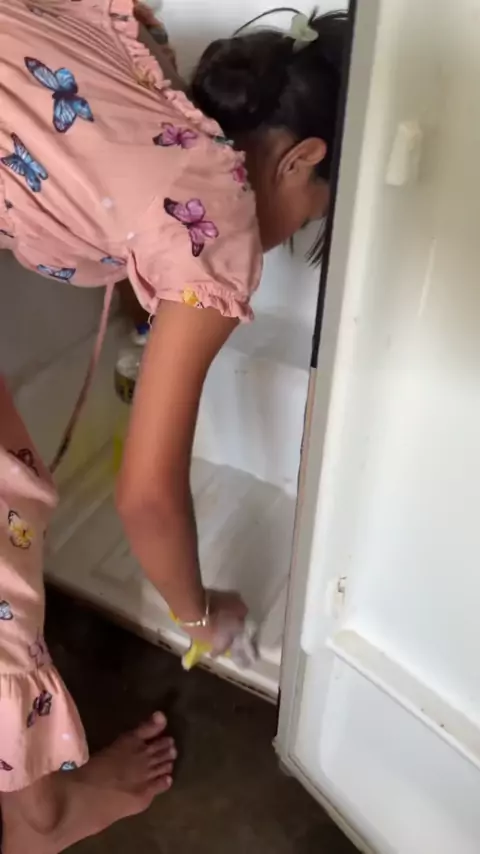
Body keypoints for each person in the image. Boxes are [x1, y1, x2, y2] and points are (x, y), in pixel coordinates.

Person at [0, 1, 347, 851]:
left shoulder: (144, 65)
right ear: (301, 158)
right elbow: (147, 499)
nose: (294, 231)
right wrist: (200, 616)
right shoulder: (217, 231)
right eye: (310, 212)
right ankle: (41, 819)